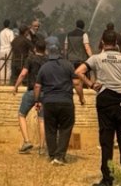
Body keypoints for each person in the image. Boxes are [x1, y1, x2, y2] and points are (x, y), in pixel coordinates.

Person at [76, 31, 121, 186]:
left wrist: (91, 84)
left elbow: (78, 72)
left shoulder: (96, 58)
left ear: (102, 42)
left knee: (106, 141)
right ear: (116, 43)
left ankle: (108, 179)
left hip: (105, 100)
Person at [34, 35, 84, 166]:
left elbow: (37, 86)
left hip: (49, 102)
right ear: (61, 51)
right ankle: (60, 156)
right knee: (66, 128)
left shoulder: (44, 67)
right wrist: (81, 98)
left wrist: (37, 101)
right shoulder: (68, 65)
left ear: (48, 52)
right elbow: (77, 83)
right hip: (66, 102)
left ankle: (52, 156)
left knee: (50, 129)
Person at [12, 38, 47, 154]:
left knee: (21, 114)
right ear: (45, 49)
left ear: (35, 48)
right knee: (42, 120)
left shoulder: (31, 58)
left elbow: (23, 74)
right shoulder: (47, 60)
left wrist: (16, 86)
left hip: (32, 91)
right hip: (44, 92)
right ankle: (42, 147)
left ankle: (27, 141)